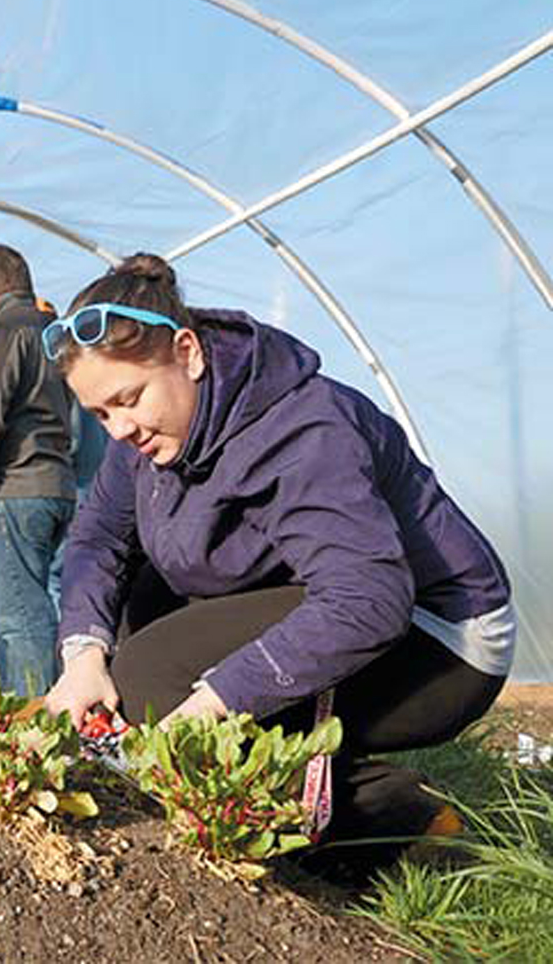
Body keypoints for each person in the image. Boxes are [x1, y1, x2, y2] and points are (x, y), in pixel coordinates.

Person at [42, 253, 515, 850]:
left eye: (129, 399)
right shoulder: (144, 436)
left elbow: (368, 598)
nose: (119, 429)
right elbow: (98, 536)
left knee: (147, 680)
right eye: (99, 413)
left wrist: (214, 702)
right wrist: (82, 653)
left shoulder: (298, 426)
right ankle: (365, 793)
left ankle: (381, 821)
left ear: (187, 353)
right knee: (128, 627)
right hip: (333, 594)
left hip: (439, 637)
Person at [0, 244, 78, 697]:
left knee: (19, 617)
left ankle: (37, 735)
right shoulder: (57, 332)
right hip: (60, 487)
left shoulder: (1, 330)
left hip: (13, 488)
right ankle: (76, 714)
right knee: (60, 610)